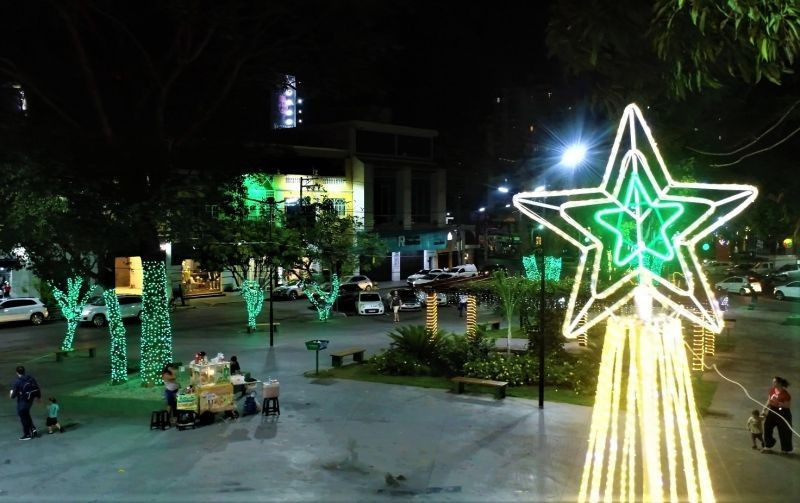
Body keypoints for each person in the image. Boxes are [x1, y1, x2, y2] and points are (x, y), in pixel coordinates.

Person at [762, 376, 793, 454]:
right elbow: (769, 400)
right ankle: (768, 445)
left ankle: (785, 449)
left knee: (784, 430)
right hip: (772, 410)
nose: (773, 383)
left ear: (779, 383)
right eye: (773, 381)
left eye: (774, 382)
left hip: (782, 411)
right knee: (767, 426)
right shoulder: (772, 390)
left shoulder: (785, 394)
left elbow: (787, 406)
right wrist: (764, 408)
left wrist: (778, 403)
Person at [9, 365, 40, 440]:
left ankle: (27, 434)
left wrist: (11, 393)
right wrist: (38, 397)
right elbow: (36, 387)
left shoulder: (17, 381)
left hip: (22, 402)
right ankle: (33, 429)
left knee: (23, 418)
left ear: (17, 372)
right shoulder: (30, 378)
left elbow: (13, 396)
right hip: (30, 400)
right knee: (26, 414)